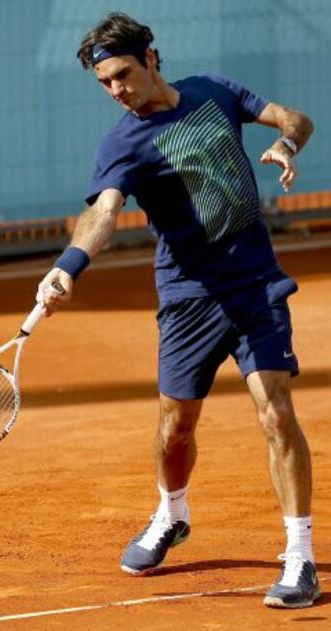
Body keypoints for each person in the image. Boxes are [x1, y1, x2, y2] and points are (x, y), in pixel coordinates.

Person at [37, 13, 318, 609]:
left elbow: (296, 118)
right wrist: (69, 263)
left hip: (255, 286)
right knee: (175, 430)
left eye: (122, 75)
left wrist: (286, 142)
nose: (116, 90)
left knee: (275, 413)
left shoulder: (214, 91)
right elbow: (105, 213)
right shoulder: (123, 142)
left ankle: (300, 558)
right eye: (104, 83)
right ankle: (171, 513)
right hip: (187, 299)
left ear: (152, 59)